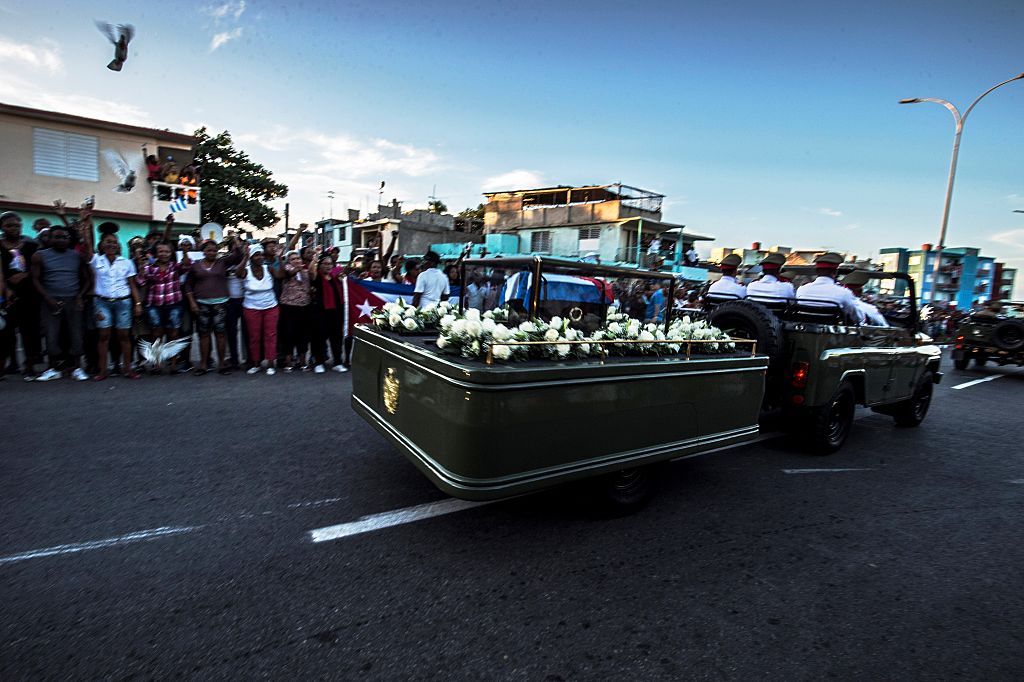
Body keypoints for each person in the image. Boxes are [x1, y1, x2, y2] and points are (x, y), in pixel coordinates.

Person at [31, 222, 93, 381]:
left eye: (65, 237)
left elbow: (87, 279)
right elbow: (35, 280)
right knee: (51, 334)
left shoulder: (76, 256)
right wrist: (48, 299)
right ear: (49, 238)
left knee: (76, 334)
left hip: (73, 299)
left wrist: (80, 296)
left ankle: (78, 368)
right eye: (57, 237)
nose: (62, 240)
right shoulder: (40, 255)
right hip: (50, 300)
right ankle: (52, 368)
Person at [83, 218, 142, 380]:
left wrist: (137, 304)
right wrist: (87, 223)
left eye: (114, 242)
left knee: (124, 337)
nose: (111, 245)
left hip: (123, 302)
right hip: (102, 303)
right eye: (108, 242)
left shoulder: (127, 263)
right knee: (103, 337)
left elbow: (132, 285)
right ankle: (103, 370)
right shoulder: (96, 260)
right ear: (102, 244)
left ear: (118, 245)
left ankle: (128, 369)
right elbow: (87, 246)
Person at [136, 218, 191, 373]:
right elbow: (140, 282)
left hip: (174, 304)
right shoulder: (149, 268)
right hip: (154, 305)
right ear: (156, 253)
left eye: (167, 251)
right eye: (161, 251)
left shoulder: (175, 266)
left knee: (173, 333)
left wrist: (185, 252)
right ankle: (157, 363)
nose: (164, 254)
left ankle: (173, 363)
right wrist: (141, 269)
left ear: (171, 253)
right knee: (156, 333)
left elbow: (187, 266)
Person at [185, 236, 244, 375]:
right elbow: (188, 285)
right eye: (208, 250)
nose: (212, 252)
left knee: (220, 334)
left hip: (221, 305)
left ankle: (222, 364)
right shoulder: (195, 265)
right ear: (203, 251)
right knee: (204, 335)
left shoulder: (222, 262)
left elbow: (238, 255)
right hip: (202, 305)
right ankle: (203, 364)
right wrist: (192, 302)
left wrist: (234, 239)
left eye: (214, 250)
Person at [0, 211, 43, 378]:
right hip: (6, 295)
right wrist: (7, 287)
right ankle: (6, 365)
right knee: (5, 332)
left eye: (17, 225)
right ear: (2, 227)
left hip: (28, 294)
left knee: (30, 331)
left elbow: (37, 268)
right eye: (9, 225)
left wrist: (25, 275)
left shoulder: (30, 245)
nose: (14, 228)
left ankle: (30, 366)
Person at [236, 244, 279, 375]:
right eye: (256, 255)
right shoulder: (246, 270)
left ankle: (271, 363)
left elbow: (281, 275)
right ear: (251, 257)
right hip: (251, 308)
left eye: (261, 254)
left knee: (270, 335)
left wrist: (280, 258)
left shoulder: (269, 269)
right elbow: (238, 273)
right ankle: (256, 363)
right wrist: (245, 258)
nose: (260, 257)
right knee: (254, 337)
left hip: (271, 307)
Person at [308, 252, 348, 373]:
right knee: (319, 337)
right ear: (320, 265)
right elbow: (310, 272)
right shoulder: (316, 276)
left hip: (336, 311)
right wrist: (314, 260)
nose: (328, 266)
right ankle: (319, 362)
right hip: (320, 312)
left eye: (330, 264)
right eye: (325, 264)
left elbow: (347, 282)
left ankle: (337, 362)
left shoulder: (336, 276)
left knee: (337, 337)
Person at [796, 252, 860, 322]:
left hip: (802, 330)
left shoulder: (802, 289)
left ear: (817, 271)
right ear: (835, 272)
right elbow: (856, 317)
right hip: (829, 331)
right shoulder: (844, 292)